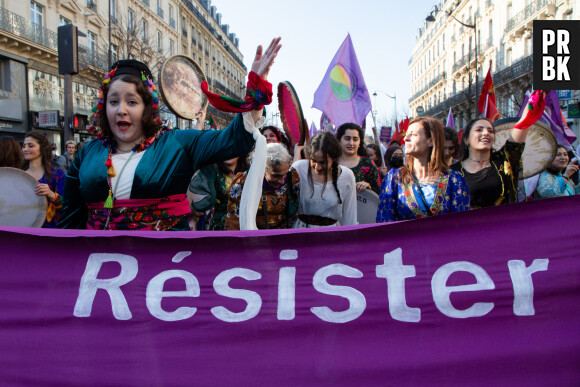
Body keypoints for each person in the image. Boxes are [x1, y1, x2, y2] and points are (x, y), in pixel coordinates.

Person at [59, 37, 282, 230]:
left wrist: (255, 92)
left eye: (132, 102)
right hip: (102, 269)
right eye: (114, 101)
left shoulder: (176, 144)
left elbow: (232, 140)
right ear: (103, 106)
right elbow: (69, 220)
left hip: (164, 269)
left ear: (147, 108)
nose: (121, 110)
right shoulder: (88, 153)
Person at [376, 116, 470, 222]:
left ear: (430, 141)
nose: (406, 139)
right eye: (407, 134)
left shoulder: (454, 180)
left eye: (413, 135)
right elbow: (385, 223)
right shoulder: (394, 179)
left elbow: (461, 225)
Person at [450, 102, 538, 209]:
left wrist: (535, 99)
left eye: (490, 131)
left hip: (503, 224)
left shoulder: (503, 161)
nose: (486, 133)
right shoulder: (451, 172)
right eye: (479, 130)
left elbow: (523, 125)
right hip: (467, 225)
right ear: (466, 139)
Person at [225, 143, 299, 230]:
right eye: (276, 176)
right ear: (262, 168)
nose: (282, 181)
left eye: (284, 175)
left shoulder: (292, 178)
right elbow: (233, 219)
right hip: (253, 237)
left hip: (281, 237)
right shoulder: (243, 182)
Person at [292, 132, 357, 228]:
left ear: (334, 158)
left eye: (323, 162)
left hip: (331, 236)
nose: (317, 167)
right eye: (313, 160)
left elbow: (350, 217)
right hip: (301, 232)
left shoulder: (347, 176)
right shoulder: (298, 169)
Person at [188, 155, 249, 230]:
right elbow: (193, 203)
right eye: (225, 147)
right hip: (216, 227)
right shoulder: (209, 170)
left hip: (243, 226)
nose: (229, 152)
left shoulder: (250, 171)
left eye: (232, 148)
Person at [22, 132, 65, 228]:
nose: (25, 149)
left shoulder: (57, 174)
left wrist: (51, 194)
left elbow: (66, 204)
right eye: (24, 146)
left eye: (30, 146)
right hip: (24, 226)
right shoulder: (20, 174)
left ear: (42, 149)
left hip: (50, 228)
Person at [336, 123, 380, 193]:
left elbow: (378, 192)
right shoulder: (331, 162)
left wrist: (368, 187)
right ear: (339, 141)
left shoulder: (368, 164)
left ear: (360, 142)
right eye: (347, 139)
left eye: (355, 139)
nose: (351, 143)